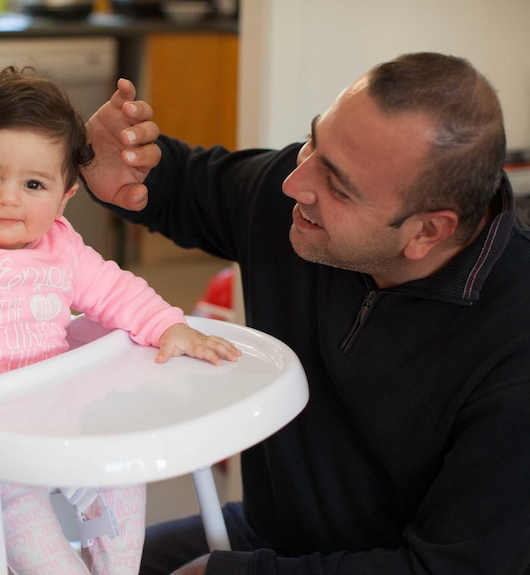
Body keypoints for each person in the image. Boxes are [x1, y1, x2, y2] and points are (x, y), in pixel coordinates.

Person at [81, 52, 530, 574]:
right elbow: (182, 185)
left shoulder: (515, 352)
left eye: (338, 186)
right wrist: (110, 161)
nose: (295, 183)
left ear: (427, 231)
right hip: (269, 532)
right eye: (314, 140)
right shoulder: (294, 197)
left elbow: (448, 569)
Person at [0, 65, 241, 575]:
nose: (9, 198)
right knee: (30, 533)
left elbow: (115, 291)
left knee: (122, 469)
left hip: (59, 417)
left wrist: (169, 326)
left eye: (33, 184)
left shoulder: (61, 244)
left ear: (65, 196)